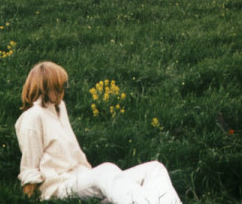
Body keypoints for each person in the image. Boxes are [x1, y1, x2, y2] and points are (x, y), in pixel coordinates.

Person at [15, 61, 182, 204]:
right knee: (107, 171)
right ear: (44, 88)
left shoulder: (59, 107)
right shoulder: (31, 118)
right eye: (58, 87)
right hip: (58, 187)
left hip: (81, 178)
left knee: (154, 168)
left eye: (64, 86)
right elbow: (29, 167)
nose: (63, 91)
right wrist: (31, 198)